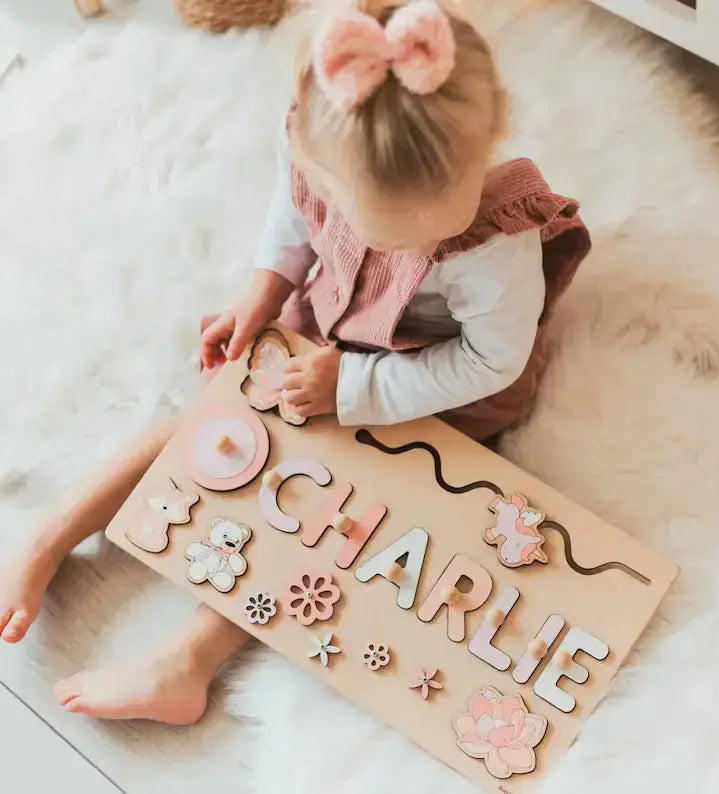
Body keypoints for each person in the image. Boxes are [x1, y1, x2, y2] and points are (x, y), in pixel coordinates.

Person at [0, 0, 589, 724]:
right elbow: (292, 221)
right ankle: (54, 534)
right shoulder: (317, 138)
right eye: (367, 223)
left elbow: (491, 362)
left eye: (409, 236)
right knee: (214, 414)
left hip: (437, 381)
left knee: (346, 514)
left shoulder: (497, 246)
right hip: (330, 323)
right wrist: (263, 294)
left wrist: (354, 387)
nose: (386, 243)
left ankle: (189, 660)